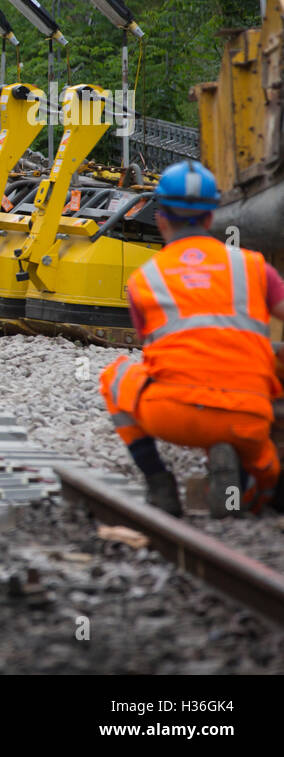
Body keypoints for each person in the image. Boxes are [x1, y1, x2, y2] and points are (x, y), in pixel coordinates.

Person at [99, 160, 284, 517]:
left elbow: (156, 353)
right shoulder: (253, 266)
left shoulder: (144, 280)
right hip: (248, 417)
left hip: (174, 417)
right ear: (212, 215)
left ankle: (159, 483)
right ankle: (245, 484)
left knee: (115, 377)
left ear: (161, 217)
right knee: (266, 473)